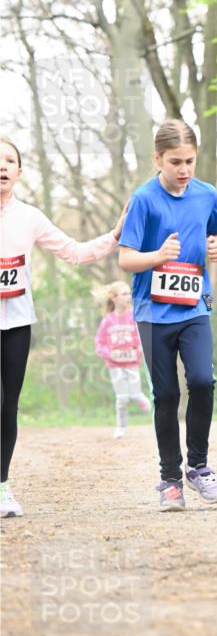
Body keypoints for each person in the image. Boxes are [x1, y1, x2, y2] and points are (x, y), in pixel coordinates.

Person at [0, 137, 126, 519]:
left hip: (17, 323)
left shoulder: (30, 217)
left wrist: (116, 235)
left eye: (9, 161)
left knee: (7, 408)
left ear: (19, 173)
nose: (2, 166)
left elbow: (75, 252)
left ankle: (2, 487)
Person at [118, 119, 217, 511]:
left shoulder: (207, 194)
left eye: (190, 161)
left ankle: (199, 467)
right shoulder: (143, 199)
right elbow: (126, 259)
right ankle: (170, 480)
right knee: (166, 395)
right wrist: (157, 257)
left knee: (203, 380)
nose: (183, 170)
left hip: (194, 304)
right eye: (175, 161)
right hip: (152, 312)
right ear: (157, 159)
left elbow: (214, 234)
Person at [94, 281, 150, 438]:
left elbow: (141, 337)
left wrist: (139, 349)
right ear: (114, 298)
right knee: (122, 398)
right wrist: (109, 353)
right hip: (115, 366)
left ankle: (152, 410)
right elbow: (99, 343)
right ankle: (121, 427)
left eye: (129, 293)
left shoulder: (134, 317)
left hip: (132, 364)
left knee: (136, 395)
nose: (129, 297)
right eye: (124, 294)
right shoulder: (107, 321)